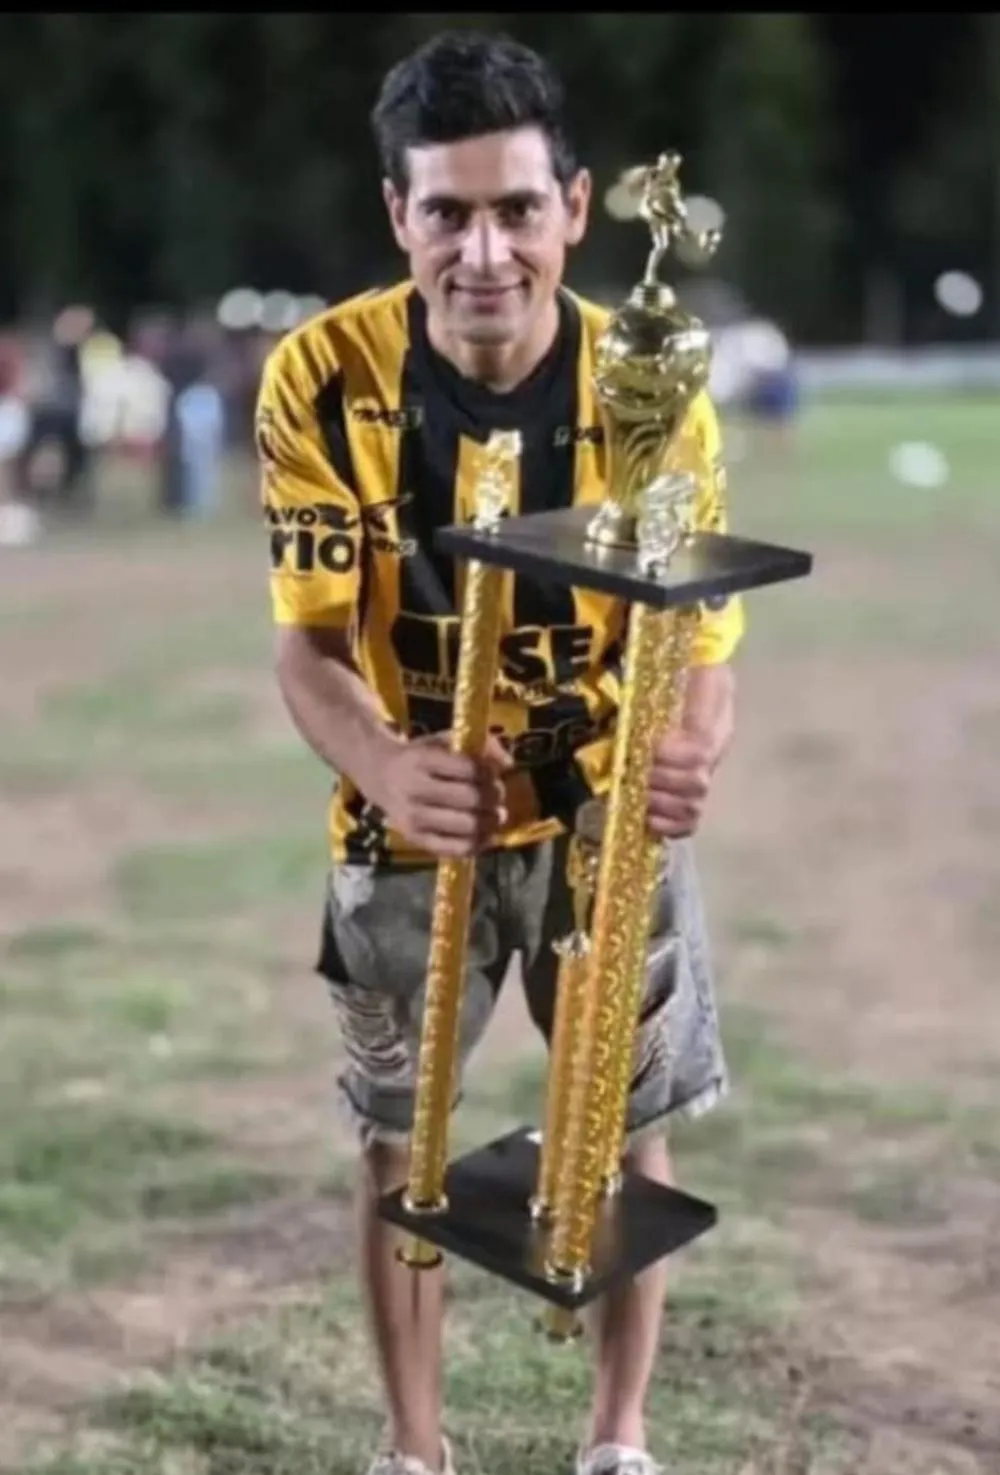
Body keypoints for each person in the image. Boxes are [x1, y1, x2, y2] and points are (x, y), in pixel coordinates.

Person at [255, 30, 744, 1475]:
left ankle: (617, 1440)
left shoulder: (652, 378)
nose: (484, 252)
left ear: (575, 209)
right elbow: (308, 647)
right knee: (396, 1140)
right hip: (413, 818)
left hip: (600, 807)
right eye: (448, 213)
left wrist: (691, 746)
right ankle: (416, 1449)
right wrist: (384, 764)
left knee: (625, 1125)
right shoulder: (321, 377)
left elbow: (702, 633)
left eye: (518, 209)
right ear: (397, 214)